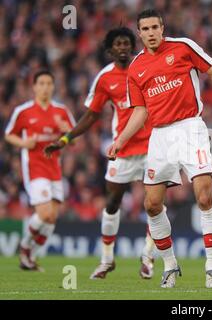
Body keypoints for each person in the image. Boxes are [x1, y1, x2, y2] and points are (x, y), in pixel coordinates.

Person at [107, 9, 212, 289]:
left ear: (162, 27)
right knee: (152, 204)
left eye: (154, 27)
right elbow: (140, 111)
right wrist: (120, 140)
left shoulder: (183, 47)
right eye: (144, 29)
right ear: (139, 32)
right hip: (159, 136)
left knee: (204, 197)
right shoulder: (136, 68)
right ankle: (170, 266)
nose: (150, 33)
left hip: (190, 128)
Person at [44, 27, 156, 280]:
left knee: (154, 204)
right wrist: (66, 138)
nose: (123, 47)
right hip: (123, 149)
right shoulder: (105, 78)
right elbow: (92, 114)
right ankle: (107, 259)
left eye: (127, 42)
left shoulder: (147, 67)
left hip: (153, 145)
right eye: (118, 43)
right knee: (112, 202)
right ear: (110, 49)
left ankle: (148, 257)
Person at [5, 70, 76, 271]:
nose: (45, 87)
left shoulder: (62, 111)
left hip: (55, 168)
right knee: (44, 214)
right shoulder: (24, 111)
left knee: (52, 218)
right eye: (41, 83)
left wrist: (67, 132)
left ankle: (29, 258)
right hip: (35, 167)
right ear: (34, 87)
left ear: (53, 86)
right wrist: (23, 142)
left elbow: (75, 140)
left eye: (48, 83)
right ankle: (25, 246)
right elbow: (9, 135)